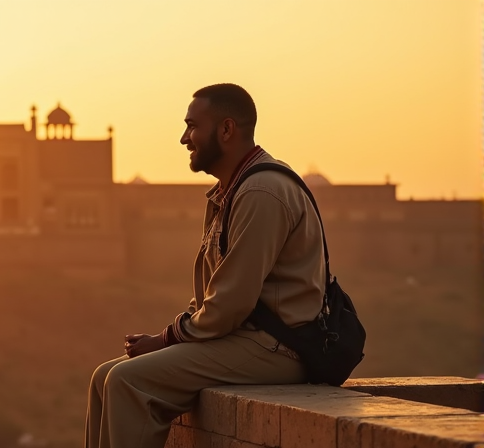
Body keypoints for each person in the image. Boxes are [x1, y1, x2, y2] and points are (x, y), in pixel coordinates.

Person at [84, 83, 326, 448]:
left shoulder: (261, 191)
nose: (184, 138)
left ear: (226, 130)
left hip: (279, 348)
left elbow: (229, 303)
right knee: (104, 376)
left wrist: (166, 338)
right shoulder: (233, 191)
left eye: (192, 126)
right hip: (246, 340)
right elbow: (215, 299)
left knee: (127, 381)